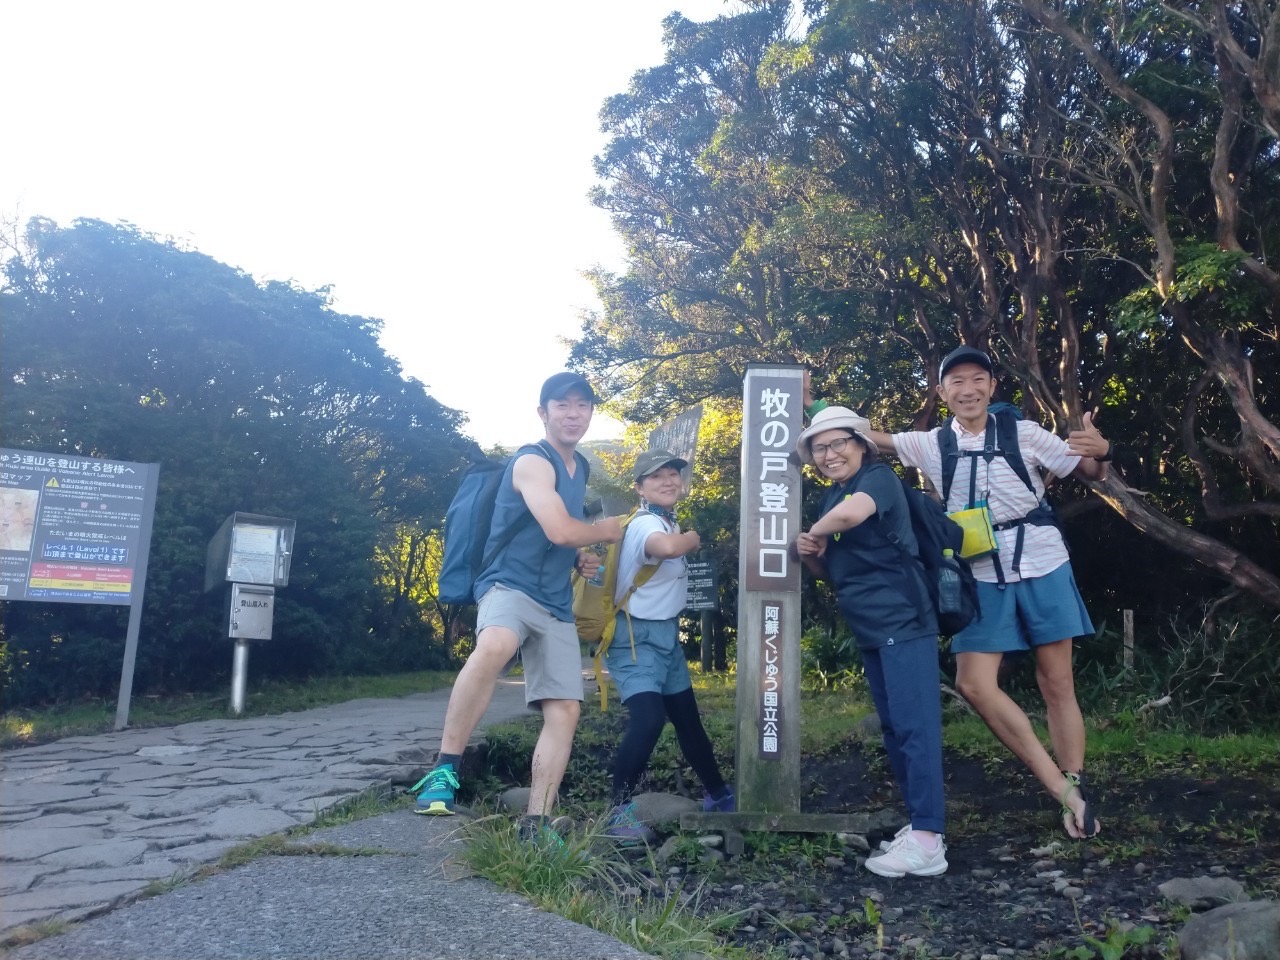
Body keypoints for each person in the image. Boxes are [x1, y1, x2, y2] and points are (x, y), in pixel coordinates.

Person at [851, 345, 1112, 839]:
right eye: (957, 382)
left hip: (1042, 560)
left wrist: (1104, 453)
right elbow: (864, 436)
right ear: (942, 392)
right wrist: (809, 408)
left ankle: (1075, 781)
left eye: (977, 380)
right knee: (973, 683)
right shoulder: (930, 444)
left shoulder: (1023, 432)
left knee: (1056, 681)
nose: (968, 389)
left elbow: (1090, 470)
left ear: (992, 387)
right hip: (977, 572)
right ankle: (1059, 786)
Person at [412, 372, 623, 845]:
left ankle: (537, 820)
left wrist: (579, 557)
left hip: (553, 602)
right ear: (542, 413)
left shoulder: (581, 468)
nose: (573, 414)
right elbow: (561, 528)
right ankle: (444, 771)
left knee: (565, 708)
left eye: (582, 405)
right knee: (496, 644)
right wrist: (602, 533)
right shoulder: (533, 461)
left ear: (591, 412)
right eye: (561, 405)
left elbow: (564, 538)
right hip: (508, 584)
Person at [793, 407, 949, 878]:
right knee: (895, 729)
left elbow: (851, 516)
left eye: (838, 443)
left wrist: (812, 533)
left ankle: (928, 838)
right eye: (820, 449)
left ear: (861, 443)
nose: (829, 454)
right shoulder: (830, 498)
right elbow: (830, 569)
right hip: (869, 626)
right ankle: (919, 827)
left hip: (903, 617)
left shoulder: (876, 480)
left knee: (915, 725)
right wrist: (811, 555)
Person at [599, 451, 735, 844]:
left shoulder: (662, 518)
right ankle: (617, 811)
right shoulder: (645, 524)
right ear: (639, 487)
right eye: (656, 477)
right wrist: (692, 538)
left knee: (688, 720)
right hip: (634, 637)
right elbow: (667, 548)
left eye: (673, 474)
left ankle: (718, 795)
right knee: (648, 720)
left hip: (665, 637)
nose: (668, 481)